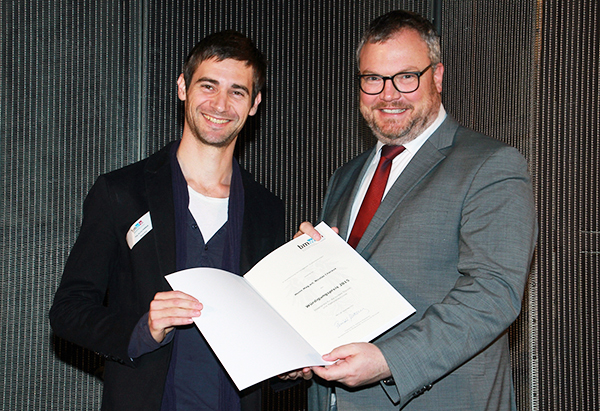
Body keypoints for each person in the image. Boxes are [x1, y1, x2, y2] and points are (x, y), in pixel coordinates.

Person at [286, 10, 537, 410]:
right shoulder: (345, 177)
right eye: (373, 79)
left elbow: (493, 294)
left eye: (406, 77)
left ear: (437, 76)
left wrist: (388, 361)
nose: (388, 95)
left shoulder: (490, 165)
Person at [50, 30, 285, 411]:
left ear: (255, 103)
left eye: (237, 92)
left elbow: (268, 332)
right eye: (208, 86)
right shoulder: (122, 192)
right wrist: (143, 328)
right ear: (182, 87)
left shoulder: (267, 210)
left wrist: (289, 367)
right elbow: (68, 311)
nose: (220, 104)